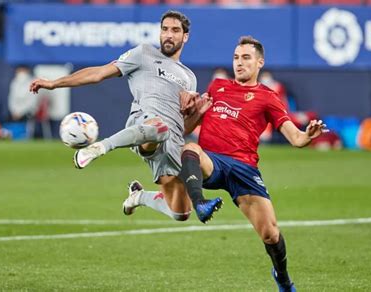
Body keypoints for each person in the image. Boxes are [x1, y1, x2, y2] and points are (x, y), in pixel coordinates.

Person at [130, 36, 327, 291]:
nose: (239, 63)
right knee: (189, 148)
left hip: (244, 169)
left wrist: (308, 135)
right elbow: (185, 130)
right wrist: (195, 113)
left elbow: (296, 138)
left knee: (271, 234)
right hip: (212, 162)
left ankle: (283, 278)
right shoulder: (217, 87)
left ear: (259, 62)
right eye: (236, 58)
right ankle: (200, 203)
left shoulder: (268, 98)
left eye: (246, 58)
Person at [29, 10, 222, 223]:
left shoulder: (189, 78)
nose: (168, 34)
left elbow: (182, 127)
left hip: (171, 142)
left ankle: (138, 196)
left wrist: (199, 116)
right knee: (159, 127)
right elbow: (98, 73)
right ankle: (99, 148)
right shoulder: (144, 53)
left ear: (185, 37)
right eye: (164, 29)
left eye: (175, 30)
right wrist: (55, 83)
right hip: (145, 124)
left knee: (181, 212)